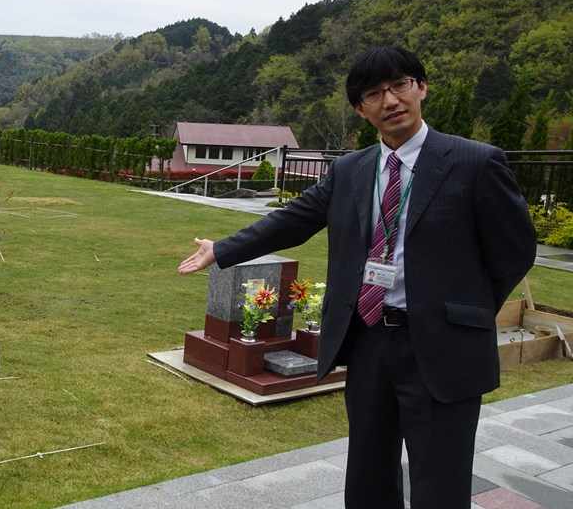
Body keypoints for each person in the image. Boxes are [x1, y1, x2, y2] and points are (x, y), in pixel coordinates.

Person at [178, 45, 536, 509]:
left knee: (440, 482)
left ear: (421, 87)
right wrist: (223, 249)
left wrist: (465, 309)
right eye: (374, 93)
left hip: (442, 344)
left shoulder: (473, 162)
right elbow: (294, 219)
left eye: (400, 85)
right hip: (368, 341)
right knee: (367, 474)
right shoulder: (351, 169)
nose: (390, 100)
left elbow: (515, 250)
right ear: (360, 109)